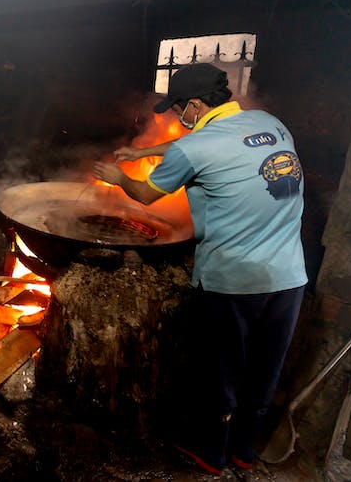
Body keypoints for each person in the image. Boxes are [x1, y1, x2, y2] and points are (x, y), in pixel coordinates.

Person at [93, 62, 308, 475]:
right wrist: (144, 152)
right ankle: (244, 451)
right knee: (265, 370)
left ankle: (210, 455)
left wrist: (118, 174)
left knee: (221, 372)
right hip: (289, 278)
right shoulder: (270, 123)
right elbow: (213, 147)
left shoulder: (194, 148)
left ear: (194, 105)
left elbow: (145, 195)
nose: (176, 118)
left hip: (234, 281)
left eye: (177, 111)